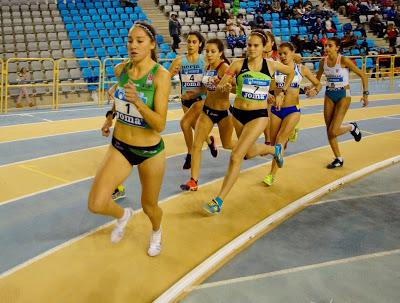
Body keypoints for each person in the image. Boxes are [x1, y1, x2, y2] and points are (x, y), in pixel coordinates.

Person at [88, 22, 171, 257]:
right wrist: (110, 117)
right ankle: (123, 215)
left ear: (152, 44)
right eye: (130, 40)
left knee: (149, 206)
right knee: (96, 203)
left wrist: (139, 103)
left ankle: (156, 232)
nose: (133, 45)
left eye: (140, 41)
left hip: (149, 152)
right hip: (120, 146)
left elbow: (160, 124)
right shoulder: (121, 70)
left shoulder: (160, 76)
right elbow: (120, 97)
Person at [203, 29, 295, 214]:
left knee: (236, 156)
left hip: (259, 116)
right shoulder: (237, 64)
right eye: (249, 45)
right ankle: (274, 149)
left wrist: (281, 91)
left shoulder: (272, 65)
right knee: (247, 153)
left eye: (256, 45)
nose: (251, 48)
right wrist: (224, 84)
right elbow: (223, 83)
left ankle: (218, 201)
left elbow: (291, 71)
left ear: (263, 47)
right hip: (237, 114)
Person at [263, 42, 321, 186]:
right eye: (280, 54)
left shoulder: (301, 69)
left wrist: (314, 90)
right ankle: (291, 131)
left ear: (292, 52)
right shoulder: (274, 68)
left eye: (285, 53)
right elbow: (265, 86)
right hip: (276, 110)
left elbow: (318, 83)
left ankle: (271, 175)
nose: (282, 56)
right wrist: (268, 95)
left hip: (292, 110)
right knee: (276, 142)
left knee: (280, 141)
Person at [180, 39, 234, 191]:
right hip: (207, 111)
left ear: (220, 53)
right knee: (197, 145)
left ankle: (249, 149)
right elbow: (205, 90)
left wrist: (228, 87)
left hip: (223, 113)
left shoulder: (225, 68)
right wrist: (192, 94)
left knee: (229, 145)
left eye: (213, 51)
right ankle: (193, 181)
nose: (209, 54)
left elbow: (235, 88)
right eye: (207, 51)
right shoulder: (207, 67)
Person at [316, 37, 368, 169]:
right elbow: (316, 81)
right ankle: (338, 158)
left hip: (343, 95)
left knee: (334, 130)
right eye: (326, 45)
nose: (326, 48)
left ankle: (352, 127)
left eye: (330, 46)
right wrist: (312, 89)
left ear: (337, 48)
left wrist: (365, 94)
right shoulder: (323, 62)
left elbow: (363, 75)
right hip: (329, 94)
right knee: (329, 130)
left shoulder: (343, 60)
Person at [169, 31, 218, 170]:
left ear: (200, 44)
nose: (190, 45)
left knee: (185, 123)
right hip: (185, 99)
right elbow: (166, 77)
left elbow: (215, 75)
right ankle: (209, 141)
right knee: (194, 126)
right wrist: (172, 74)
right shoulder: (179, 61)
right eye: (189, 42)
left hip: (201, 98)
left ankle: (190, 154)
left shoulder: (205, 60)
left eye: (194, 42)